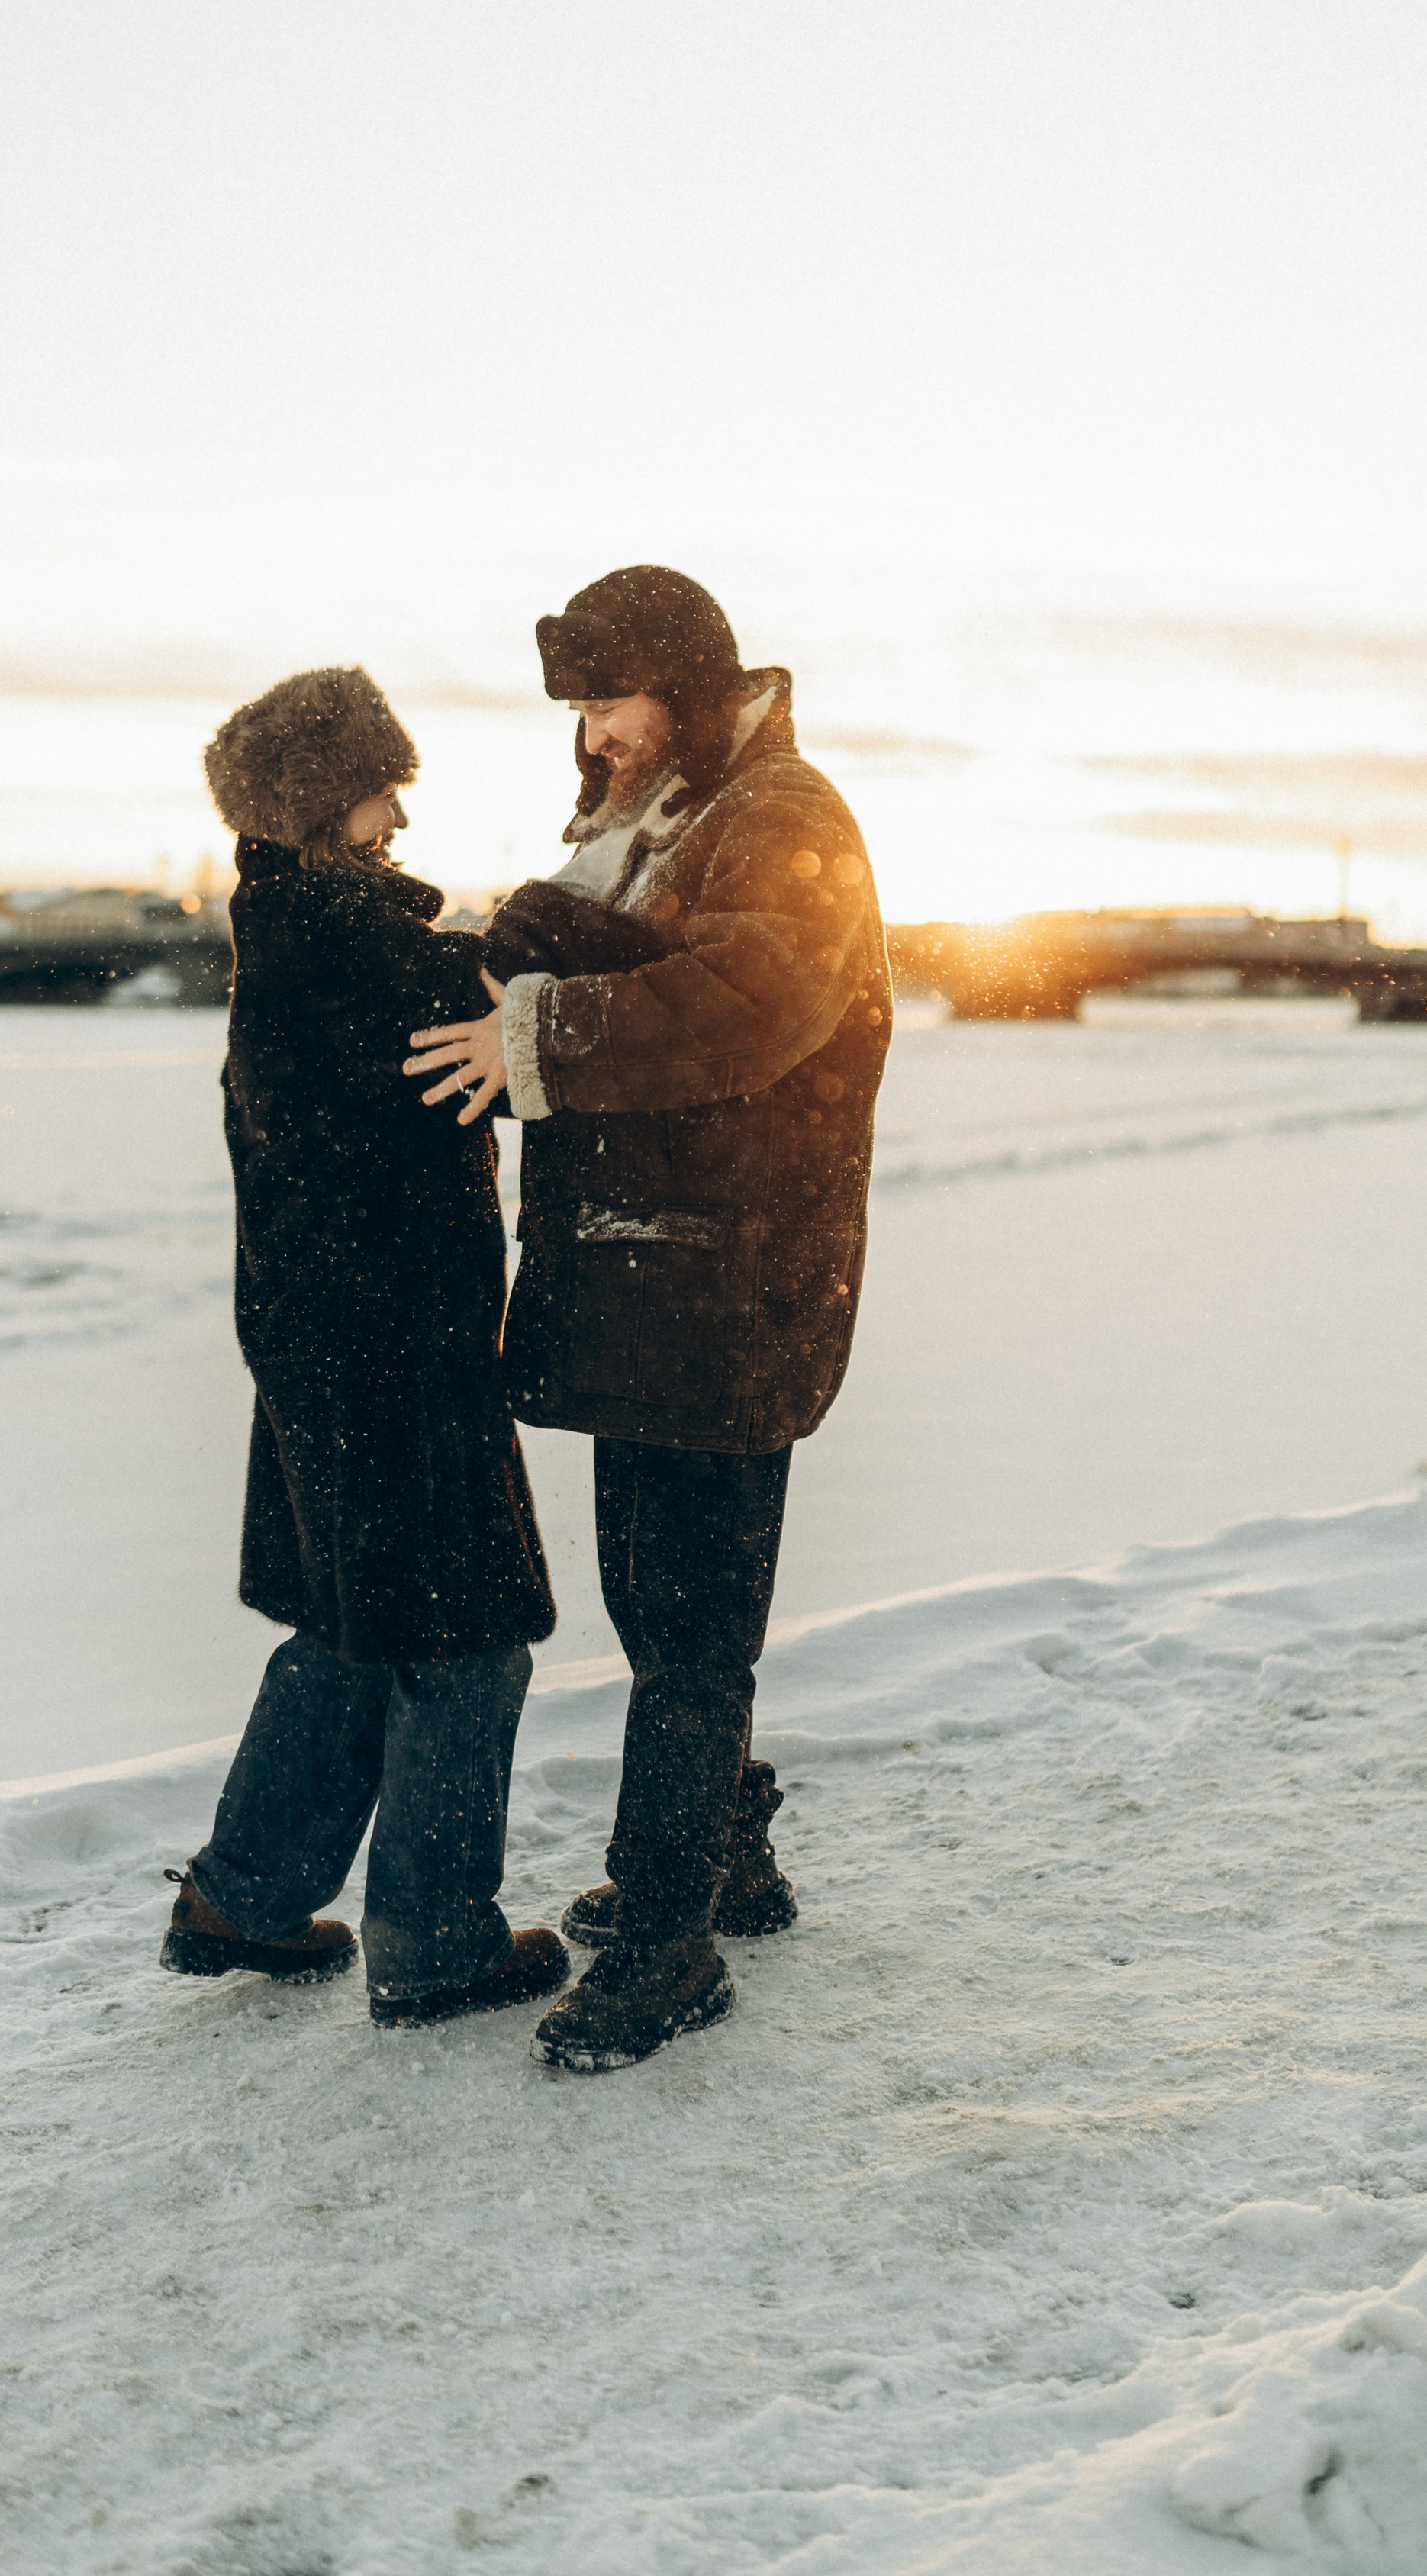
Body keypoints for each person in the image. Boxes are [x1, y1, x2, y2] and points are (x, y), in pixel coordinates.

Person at [405, 568, 891, 2072]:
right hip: (648, 1266)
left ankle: (672, 1947)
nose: (593, 733)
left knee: (689, 1625)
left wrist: (538, 1024)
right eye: (579, 708)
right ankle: (723, 1856)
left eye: (608, 701)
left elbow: (752, 998)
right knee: (653, 1595)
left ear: (682, 690)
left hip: (734, 1278)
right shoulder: (666, 815)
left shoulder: (779, 815)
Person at [161, 665, 569, 2030]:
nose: (403, 809)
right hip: (401, 1350)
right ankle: (434, 1938)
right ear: (331, 799)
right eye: (385, 783)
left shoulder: (283, 933)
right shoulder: (370, 946)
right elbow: (489, 1052)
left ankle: (249, 1894)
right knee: (469, 1633)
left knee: (353, 1623)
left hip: (316, 1341)